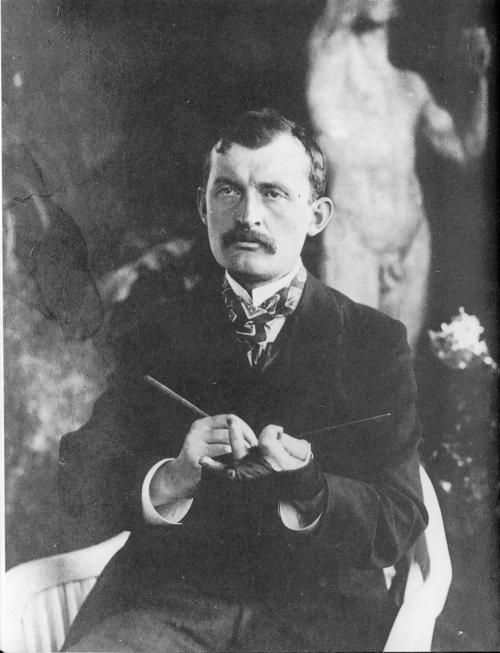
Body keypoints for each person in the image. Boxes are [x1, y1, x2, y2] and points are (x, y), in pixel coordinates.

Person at [58, 108, 428, 652]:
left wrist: (310, 486)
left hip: (318, 612)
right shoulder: (156, 331)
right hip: (165, 600)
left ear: (318, 214)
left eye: (274, 193)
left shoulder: (374, 342)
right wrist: (169, 478)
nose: (247, 215)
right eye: (228, 191)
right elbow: (80, 471)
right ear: (203, 206)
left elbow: (401, 514)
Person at [307, 0, 490, 350]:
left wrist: (478, 77)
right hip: (354, 243)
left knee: (398, 368)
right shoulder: (331, 69)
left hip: (411, 245)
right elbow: (335, 18)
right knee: (351, 361)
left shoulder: (410, 87)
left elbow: (467, 150)